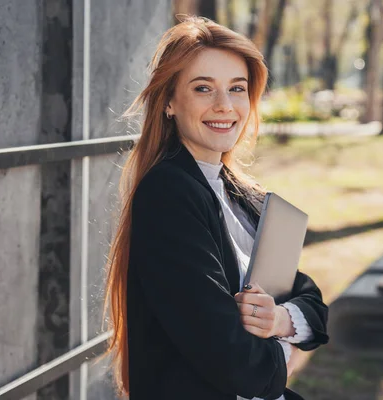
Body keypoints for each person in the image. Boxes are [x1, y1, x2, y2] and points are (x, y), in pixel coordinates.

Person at [104, 16, 329, 400]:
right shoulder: (168, 192)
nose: (224, 106)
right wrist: (286, 348)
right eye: (203, 88)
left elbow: (311, 302)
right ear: (170, 102)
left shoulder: (243, 194)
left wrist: (276, 319)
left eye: (237, 89)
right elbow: (238, 365)